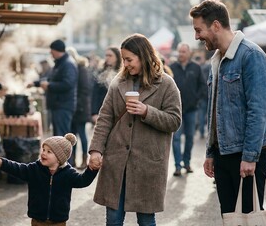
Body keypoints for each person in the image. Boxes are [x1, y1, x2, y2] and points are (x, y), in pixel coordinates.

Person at [189, 0, 266, 215]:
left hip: (245, 154)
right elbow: (215, 110)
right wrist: (210, 151)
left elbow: (260, 110)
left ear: (216, 25)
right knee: (229, 217)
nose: (196, 36)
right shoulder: (216, 59)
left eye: (199, 30)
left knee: (248, 216)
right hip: (223, 152)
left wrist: (249, 156)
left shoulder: (251, 55)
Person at [88, 33, 182, 226]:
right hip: (117, 161)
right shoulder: (118, 82)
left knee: (146, 220)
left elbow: (174, 121)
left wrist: (147, 111)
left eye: (129, 59)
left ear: (143, 56)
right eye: (123, 59)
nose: (126, 64)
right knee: (113, 219)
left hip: (148, 163)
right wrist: (96, 150)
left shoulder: (166, 84)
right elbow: (105, 118)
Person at [0, 133, 99, 226]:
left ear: (59, 158)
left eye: (49, 152)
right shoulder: (34, 169)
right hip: (37, 220)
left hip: (59, 221)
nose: (43, 153)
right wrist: (2, 163)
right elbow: (18, 168)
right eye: (43, 149)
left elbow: (83, 181)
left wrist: (92, 170)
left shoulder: (68, 173)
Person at [170, 42, 206, 176]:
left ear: (189, 53)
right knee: (176, 138)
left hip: (191, 109)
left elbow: (203, 86)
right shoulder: (171, 68)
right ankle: (177, 165)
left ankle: (187, 162)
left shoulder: (196, 68)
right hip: (176, 110)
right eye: (179, 52)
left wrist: (196, 99)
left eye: (183, 52)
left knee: (190, 137)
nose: (181, 54)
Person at [27, 39, 78, 136]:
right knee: (58, 136)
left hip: (63, 106)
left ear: (56, 50)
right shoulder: (60, 63)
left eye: (51, 51)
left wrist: (49, 85)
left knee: (61, 137)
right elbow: (50, 79)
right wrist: (35, 83)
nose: (50, 53)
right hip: (58, 105)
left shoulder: (68, 64)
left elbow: (68, 84)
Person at [66, 47, 92, 168]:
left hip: (80, 107)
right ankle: (73, 160)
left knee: (82, 134)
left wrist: (78, 105)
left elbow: (84, 89)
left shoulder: (82, 69)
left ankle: (84, 159)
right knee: (73, 136)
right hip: (74, 107)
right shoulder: (74, 68)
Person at [91, 46, 122, 124]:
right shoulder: (101, 73)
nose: (107, 58)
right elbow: (95, 94)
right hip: (102, 110)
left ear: (117, 57)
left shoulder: (122, 73)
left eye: (110, 55)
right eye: (106, 55)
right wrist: (94, 113)